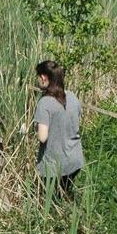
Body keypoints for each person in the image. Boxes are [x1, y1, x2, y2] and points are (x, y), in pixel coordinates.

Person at [32, 60, 85, 196]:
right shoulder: (72, 96)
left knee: (49, 199)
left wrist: (32, 128)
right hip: (74, 161)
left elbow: (42, 137)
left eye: (38, 77)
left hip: (55, 166)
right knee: (64, 194)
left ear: (44, 78)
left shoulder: (44, 103)